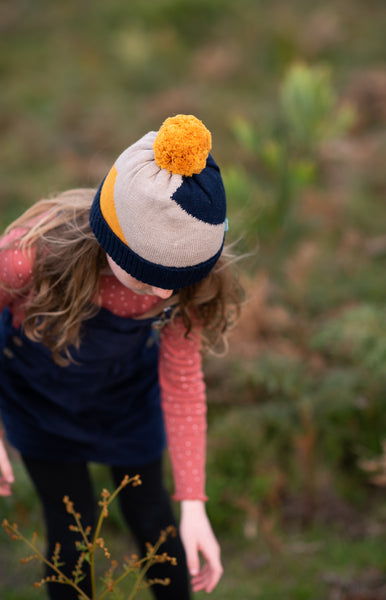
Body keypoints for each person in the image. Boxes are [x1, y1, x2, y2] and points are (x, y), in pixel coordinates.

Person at [0, 114, 242, 599]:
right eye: (144, 273)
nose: (161, 290)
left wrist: (194, 503)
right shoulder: (28, 257)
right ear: (111, 238)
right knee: (72, 527)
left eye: (178, 277)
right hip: (39, 403)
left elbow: (183, 387)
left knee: (154, 517)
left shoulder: (181, 291)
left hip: (125, 402)